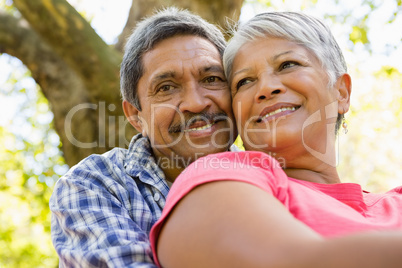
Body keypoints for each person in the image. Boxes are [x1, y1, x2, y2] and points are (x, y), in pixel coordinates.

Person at [150, 11, 402, 268]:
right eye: (245, 81)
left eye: (287, 64)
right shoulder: (219, 176)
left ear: (341, 93)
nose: (266, 88)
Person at [49, 7, 236, 267]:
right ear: (136, 115)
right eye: (166, 88)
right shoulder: (94, 183)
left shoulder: (279, 176)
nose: (195, 103)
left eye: (212, 79)